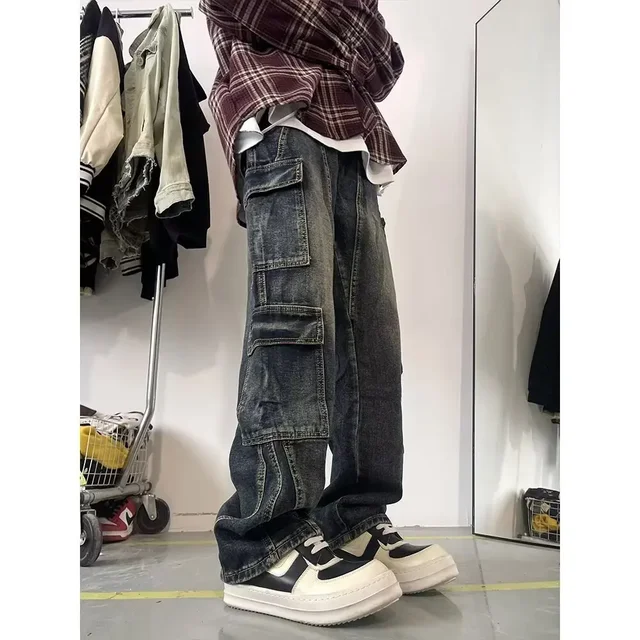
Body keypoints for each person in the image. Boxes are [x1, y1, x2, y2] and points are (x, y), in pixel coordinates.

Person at [199, 0, 458, 625]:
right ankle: (263, 543)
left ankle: (353, 518)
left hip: (355, 144)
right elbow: (285, 14)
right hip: (280, 121)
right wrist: (355, 34)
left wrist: (352, 32)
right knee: (293, 330)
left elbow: (386, 63)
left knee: (375, 347)